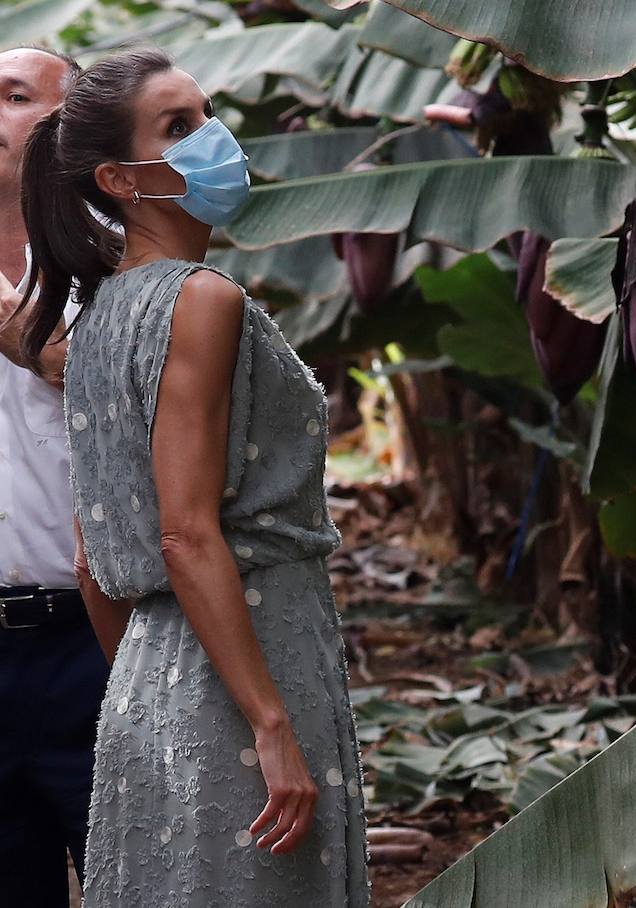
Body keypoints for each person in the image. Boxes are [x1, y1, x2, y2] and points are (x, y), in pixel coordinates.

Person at [11, 46, 369, 905]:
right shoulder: (199, 300)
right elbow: (184, 532)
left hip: (147, 680)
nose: (213, 138)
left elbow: (94, 554)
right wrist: (270, 722)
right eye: (179, 127)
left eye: (205, 115)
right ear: (120, 179)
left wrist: (144, 688)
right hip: (254, 665)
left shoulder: (94, 317)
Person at [0, 44, 110, 906]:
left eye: (11, 95)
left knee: (133, 876)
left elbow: (173, 419)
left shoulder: (121, 272)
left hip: (100, 641)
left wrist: (38, 352)